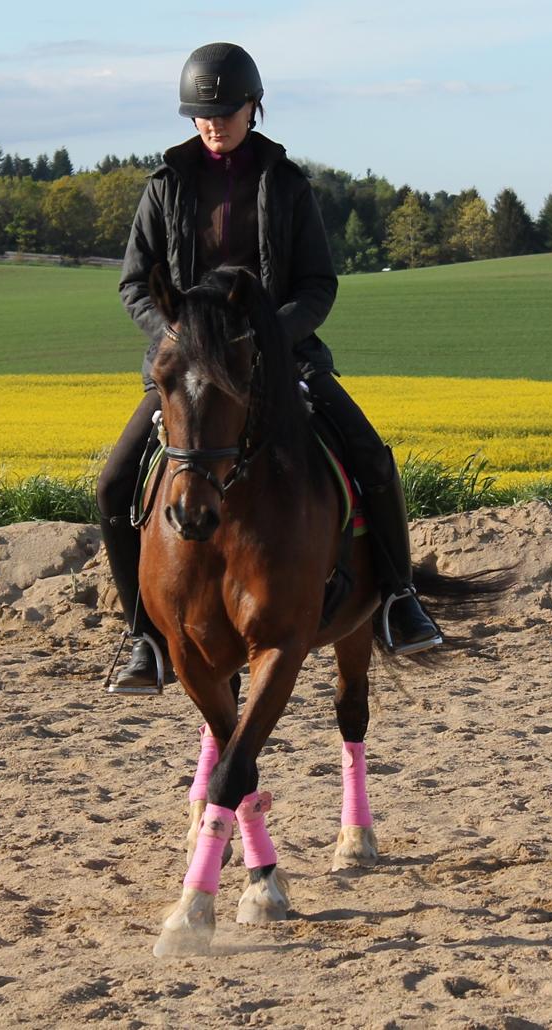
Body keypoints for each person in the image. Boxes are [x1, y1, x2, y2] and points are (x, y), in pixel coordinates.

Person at [97, 41, 441, 690]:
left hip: (282, 361)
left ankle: (399, 600)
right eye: (201, 113)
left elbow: (318, 285)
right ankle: (142, 636)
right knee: (115, 482)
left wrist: (271, 340)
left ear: (254, 107)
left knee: (372, 457)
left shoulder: (286, 185)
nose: (213, 122)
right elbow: (134, 286)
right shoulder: (165, 185)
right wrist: (179, 338)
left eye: (225, 110)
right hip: (192, 371)